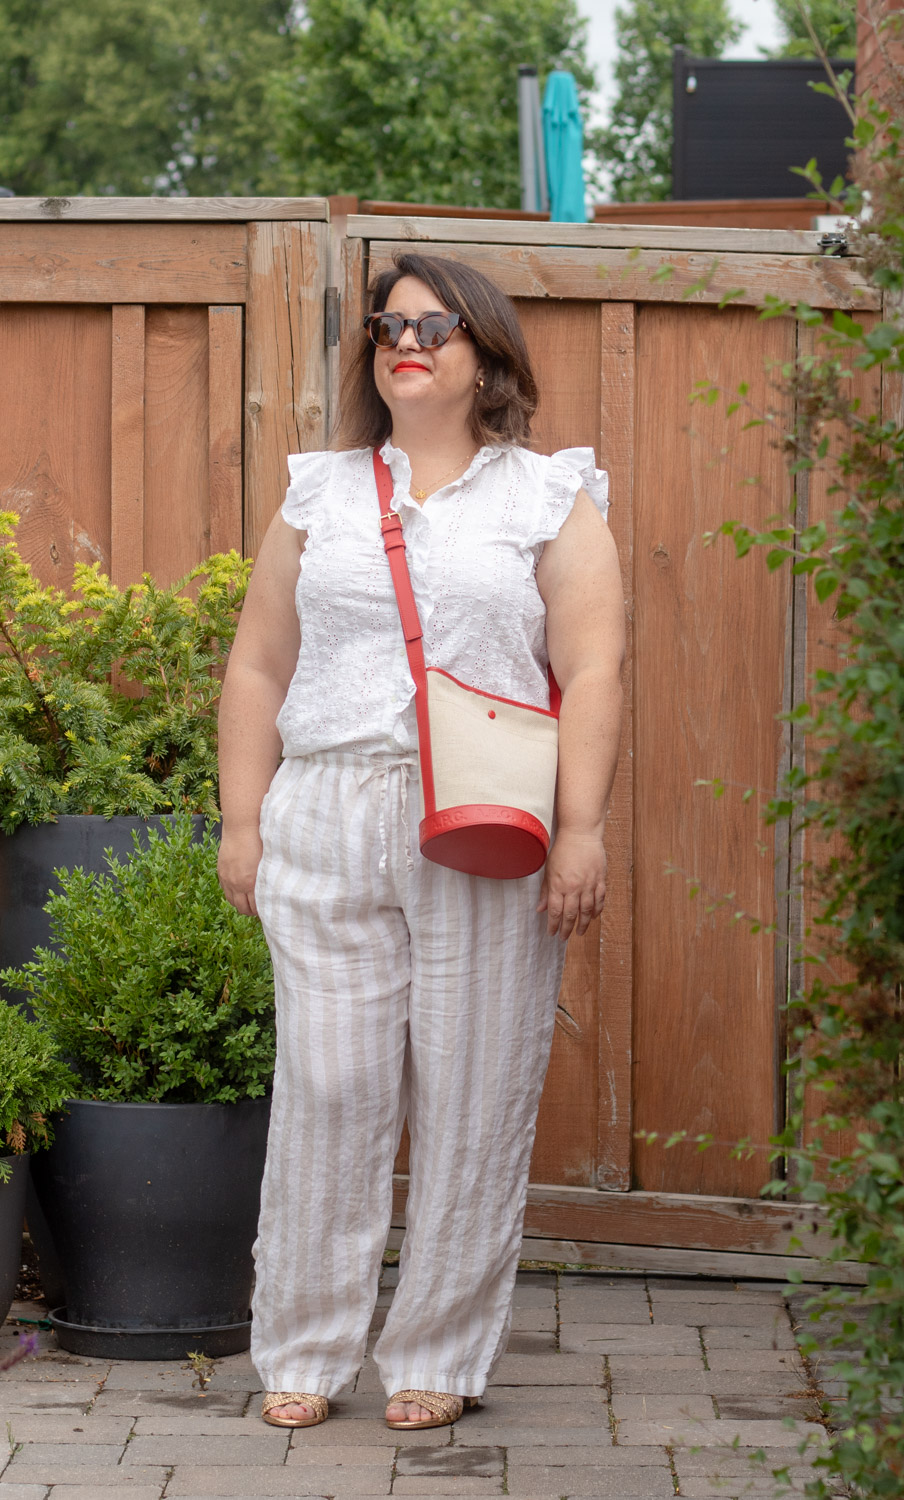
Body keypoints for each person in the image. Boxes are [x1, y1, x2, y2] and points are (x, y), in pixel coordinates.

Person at [217, 251, 625, 1433]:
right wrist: (245, 819)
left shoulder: (546, 496)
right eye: (390, 328)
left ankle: (436, 1350)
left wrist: (582, 828)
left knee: (473, 1087)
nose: (408, 342)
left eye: (435, 326)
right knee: (329, 1087)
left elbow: (593, 666)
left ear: (485, 354)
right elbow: (257, 661)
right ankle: (301, 1344)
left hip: (486, 820)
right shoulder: (322, 494)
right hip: (328, 811)